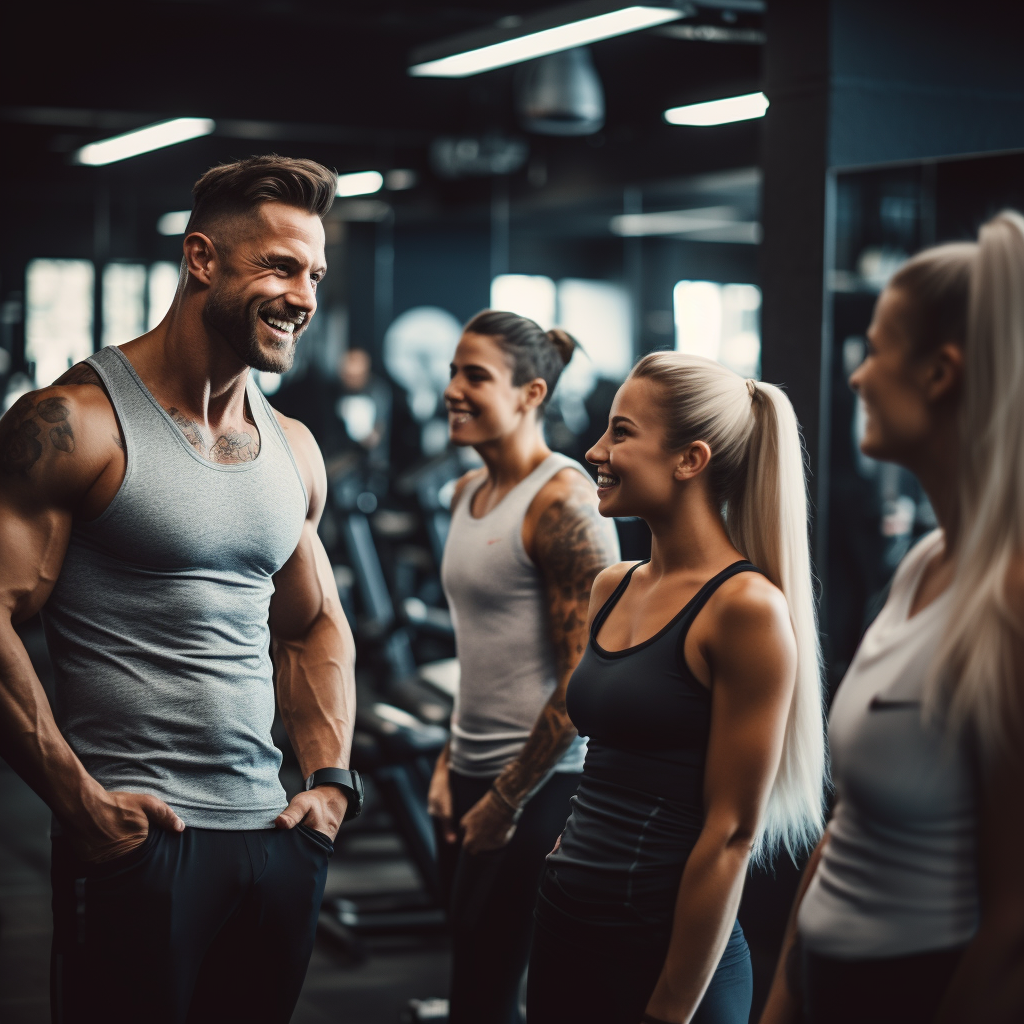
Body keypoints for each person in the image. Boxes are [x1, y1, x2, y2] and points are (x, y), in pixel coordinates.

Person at [0, 155, 360, 1024]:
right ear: (203, 259)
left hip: (274, 836)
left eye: (312, 273)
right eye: (278, 266)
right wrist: (81, 804)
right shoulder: (73, 423)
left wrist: (330, 784)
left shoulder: (295, 448)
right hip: (138, 836)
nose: (302, 295)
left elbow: (314, 626)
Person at [760, 214, 1024, 1024]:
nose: (857, 377)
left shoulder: (1010, 601)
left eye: (874, 350)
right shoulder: (924, 564)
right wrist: (782, 995)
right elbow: (850, 827)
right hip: (829, 987)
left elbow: (1015, 928)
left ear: (941, 372)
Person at [527, 351, 827, 1024]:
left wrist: (671, 1007)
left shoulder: (743, 608)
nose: (596, 449)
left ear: (690, 459)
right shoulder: (615, 585)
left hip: (665, 954)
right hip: (566, 920)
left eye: (622, 433)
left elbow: (732, 833)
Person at [427, 310, 620, 1024]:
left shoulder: (563, 503)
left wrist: (507, 800)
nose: (453, 389)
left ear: (531, 393)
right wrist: (451, 763)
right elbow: (480, 654)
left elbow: (584, 682)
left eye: (474, 375)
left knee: (488, 993)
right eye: (453, 372)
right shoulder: (463, 495)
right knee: (471, 977)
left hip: (542, 786)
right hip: (473, 773)